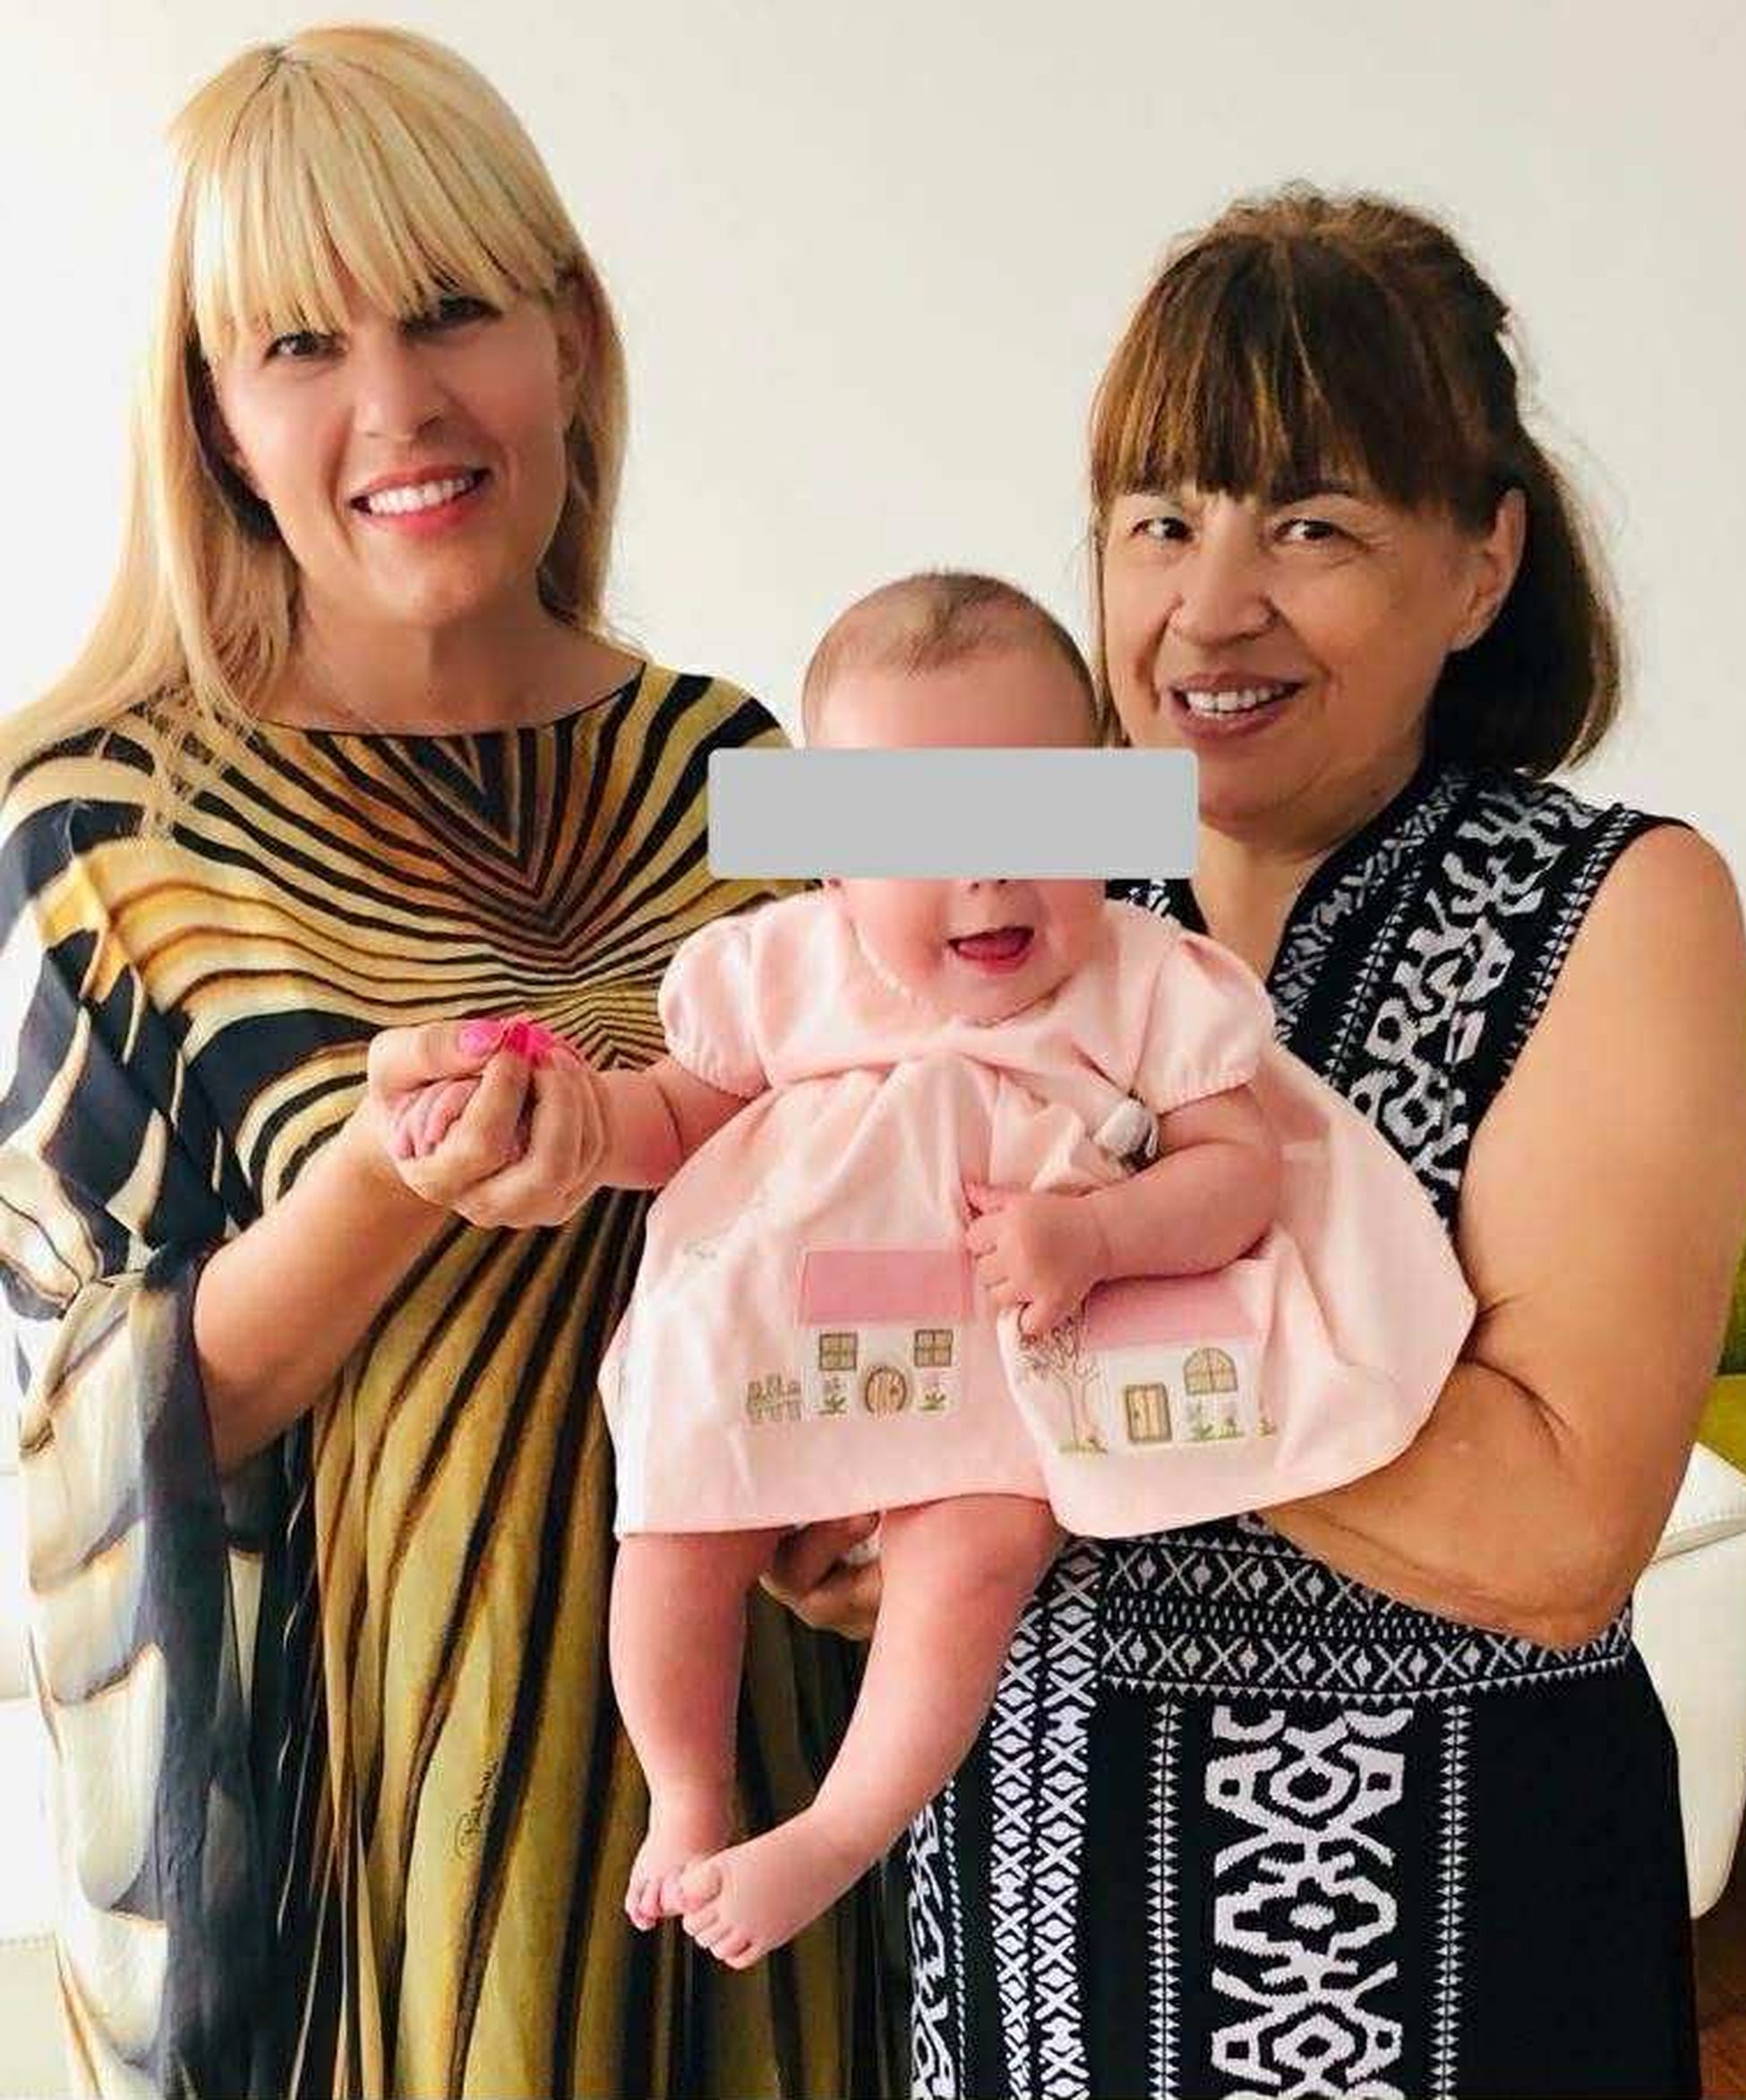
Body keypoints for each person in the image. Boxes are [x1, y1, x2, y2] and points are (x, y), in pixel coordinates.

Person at [778, 192, 1746, 2099]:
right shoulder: (1016, 888)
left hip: (1440, 1973)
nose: (1209, 610)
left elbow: (1556, 1532)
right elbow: (839, 1337)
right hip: (1017, 1973)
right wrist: (838, 1500)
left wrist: (1053, 1333)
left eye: (1311, 525)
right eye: (1159, 522)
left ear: (1482, 562)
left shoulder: (1621, 905)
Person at [0, 27, 887, 2099]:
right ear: (213, 417)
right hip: (395, 1893)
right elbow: (72, 1427)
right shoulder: (100, 825)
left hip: (792, 1827)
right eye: (299, 345)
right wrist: (384, 1187)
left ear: (569, 334)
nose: (398, 406)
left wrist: (886, 1482)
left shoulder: (760, 761)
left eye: (453, 310)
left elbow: (1124, 869)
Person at [398, 570, 1473, 1971]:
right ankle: (687, 1792)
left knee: (973, 1556)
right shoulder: (782, 970)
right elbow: (668, 1120)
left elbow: (1240, 1172)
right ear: (835, 863)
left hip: (990, 1362)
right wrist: (572, 1119)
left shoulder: (1143, 980)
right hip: (786, 1336)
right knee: (674, 1525)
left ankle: (840, 1828)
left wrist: (1099, 1235)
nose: (987, 870)